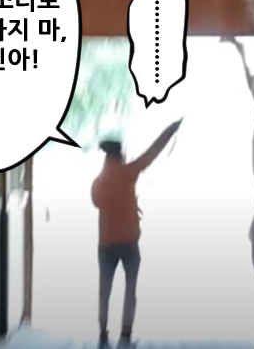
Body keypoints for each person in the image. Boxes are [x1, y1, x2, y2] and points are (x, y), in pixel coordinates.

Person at [91, 118, 183, 348]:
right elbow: (152, 153)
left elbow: (96, 201)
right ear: (120, 154)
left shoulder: (98, 183)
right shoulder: (128, 173)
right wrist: (170, 131)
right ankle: (125, 336)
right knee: (130, 290)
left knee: (104, 291)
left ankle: (103, 335)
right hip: (129, 244)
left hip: (106, 245)